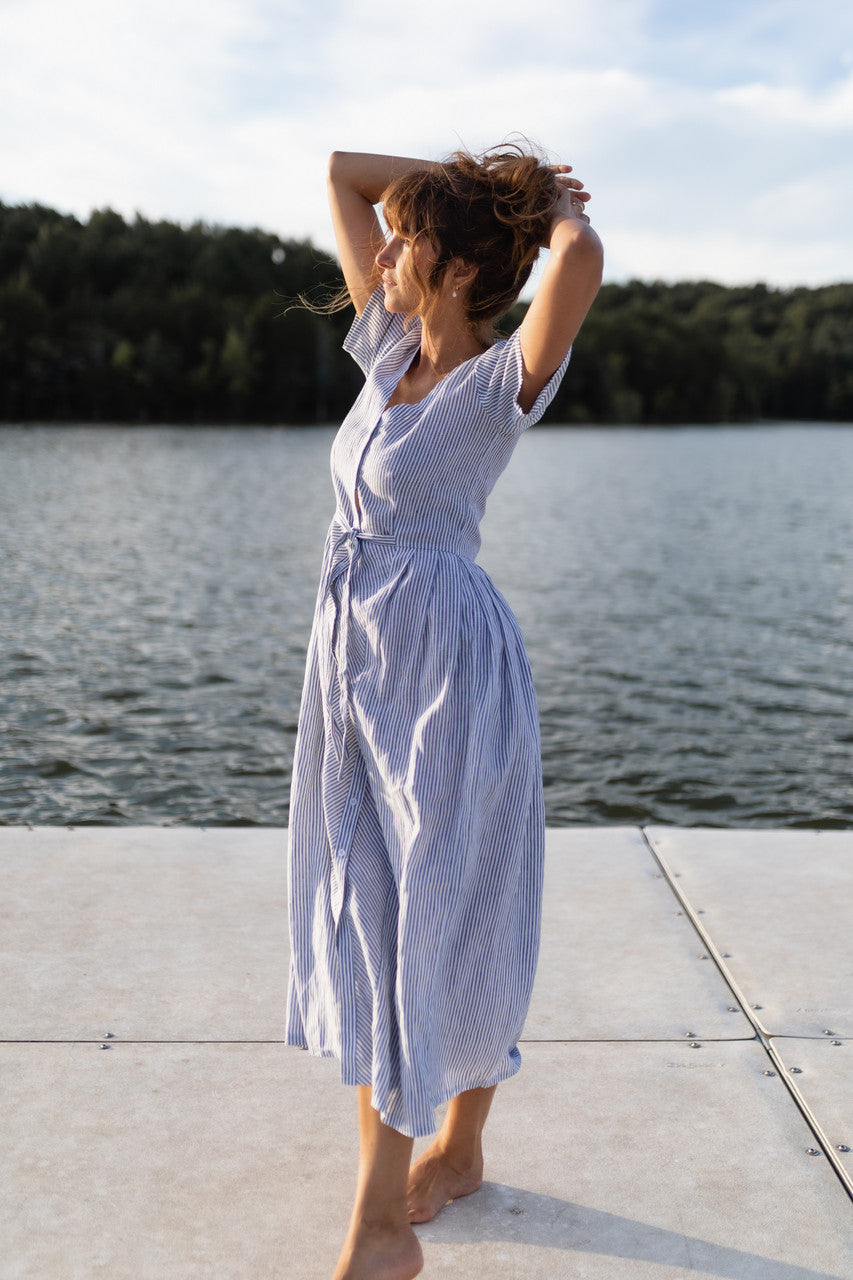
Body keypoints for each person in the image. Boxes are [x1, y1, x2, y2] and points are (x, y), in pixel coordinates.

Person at [286, 144, 603, 1280]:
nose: (382, 249)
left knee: (441, 906)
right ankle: (454, 1149)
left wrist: (548, 208)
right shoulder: (388, 349)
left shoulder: (494, 383)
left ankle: (384, 1219)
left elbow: (583, 259)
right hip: (358, 664)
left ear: (466, 270)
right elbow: (339, 172)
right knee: (385, 904)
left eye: (410, 238)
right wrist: (472, 184)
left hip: (446, 674)